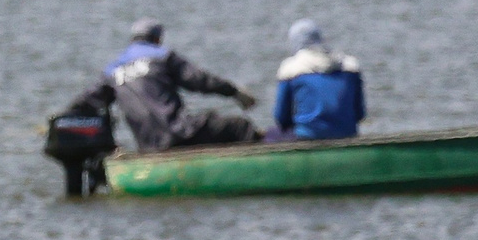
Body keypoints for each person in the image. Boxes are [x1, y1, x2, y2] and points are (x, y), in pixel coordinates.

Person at [66, 19, 260, 151]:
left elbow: (84, 102)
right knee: (239, 127)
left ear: (132, 40)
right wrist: (234, 92)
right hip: (181, 132)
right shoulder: (163, 57)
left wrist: (62, 118)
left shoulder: (112, 71)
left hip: (149, 145)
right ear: (158, 39)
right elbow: (200, 80)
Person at [268, 18, 365, 141]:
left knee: (271, 135)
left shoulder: (290, 68)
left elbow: (282, 118)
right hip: (347, 134)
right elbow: (360, 114)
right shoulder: (350, 66)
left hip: (307, 137)